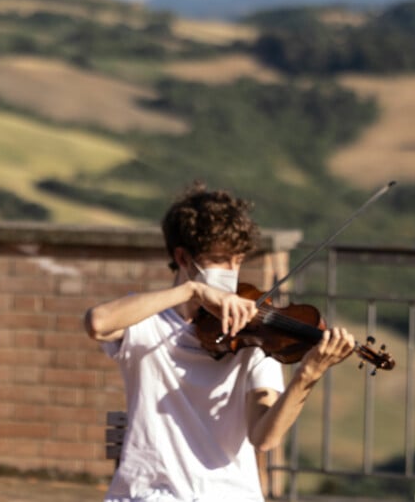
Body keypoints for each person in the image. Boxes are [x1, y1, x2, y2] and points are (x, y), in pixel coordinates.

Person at [84, 183, 356, 502]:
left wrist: (308, 375)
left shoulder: (254, 336)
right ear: (183, 257)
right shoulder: (146, 320)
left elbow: (264, 437)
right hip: (146, 495)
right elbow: (98, 323)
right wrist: (192, 291)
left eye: (237, 260)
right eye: (219, 259)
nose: (232, 271)